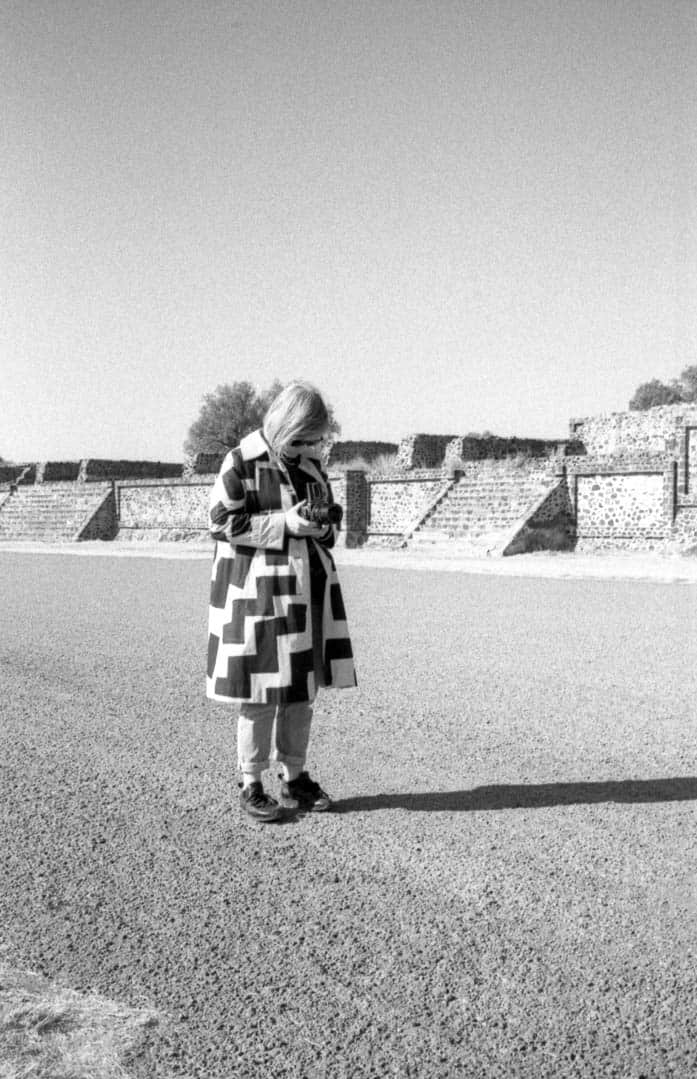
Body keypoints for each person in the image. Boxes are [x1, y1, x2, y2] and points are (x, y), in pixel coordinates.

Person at [206, 380, 357, 822]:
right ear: (286, 423)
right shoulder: (240, 461)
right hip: (257, 597)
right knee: (258, 693)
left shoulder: (310, 465)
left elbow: (327, 527)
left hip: (305, 594)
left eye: (315, 438)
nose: (311, 445)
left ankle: (294, 777)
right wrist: (285, 523)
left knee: (299, 694)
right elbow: (221, 522)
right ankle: (250, 782)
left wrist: (319, 526)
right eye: (305, 436)